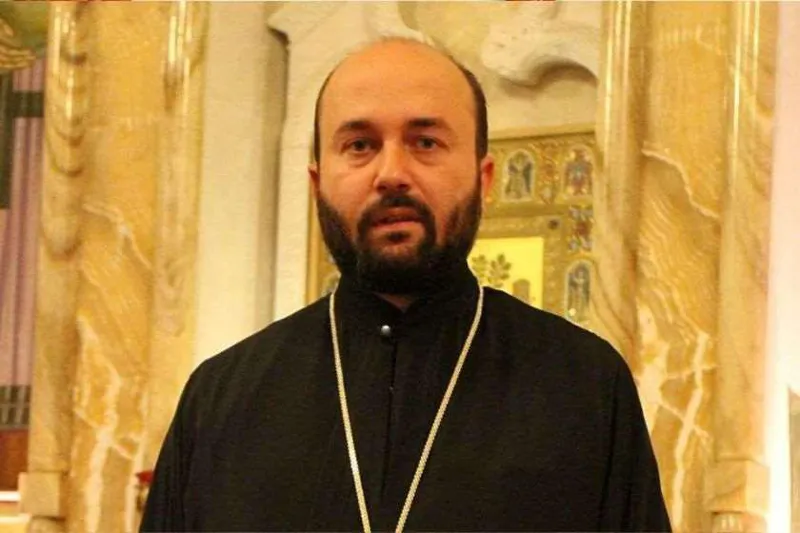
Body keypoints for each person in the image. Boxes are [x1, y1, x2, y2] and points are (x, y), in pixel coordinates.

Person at [141, 38, 671, 533]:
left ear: (484, 179)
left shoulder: (585, 385)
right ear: (317, 183)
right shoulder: (220, 400)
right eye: (359, 145)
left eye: (425, 142)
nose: (392, 172)